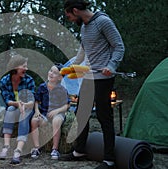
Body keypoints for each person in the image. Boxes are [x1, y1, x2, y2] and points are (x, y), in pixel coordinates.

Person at [60, 1, 125, 169]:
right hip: (88, 76)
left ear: (75, 10)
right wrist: (71, 66)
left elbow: (119, 46)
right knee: (81, 114)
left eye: (69, 16)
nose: (70, 19)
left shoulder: (103, 21)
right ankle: (79, 151)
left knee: (104, 117)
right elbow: (83, 50)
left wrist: (111, 66)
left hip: (103, 78)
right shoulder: (84, 27)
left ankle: (109, 159)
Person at [0, 54, 35, 165]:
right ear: (15, 67)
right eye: (24, 66)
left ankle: (18, 151)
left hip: (27, 107)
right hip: (14, 107)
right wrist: (17, 104)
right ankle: (6, 146)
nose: (26, 69)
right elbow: (7, 100)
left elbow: (32, 101)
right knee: (9, 109)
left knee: (24, 114)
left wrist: (24, 105)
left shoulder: (29, 80)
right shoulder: (5, 81)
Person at [30, 63, 70, 160]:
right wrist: (36, 110)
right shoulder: (42, 87)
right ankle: (36, 147)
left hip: (58, 113)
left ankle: (55, 149)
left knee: (56, 121)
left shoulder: (62, 89)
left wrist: (57, 111)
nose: (51, 73)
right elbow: (37, 100)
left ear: (60, 78)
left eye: (55, 73)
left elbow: (67, 105)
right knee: (34, 120)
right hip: (44, 113)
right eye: (51, 71)